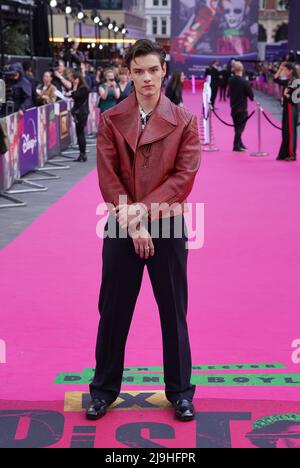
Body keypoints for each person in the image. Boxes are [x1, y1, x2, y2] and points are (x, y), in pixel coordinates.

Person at [87, 39, 201, 422]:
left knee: (173, 312)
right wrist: (133, 221)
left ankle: (181, 392)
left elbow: (182, 179)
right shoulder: (111, 119)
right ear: (129, 73)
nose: (147, 78)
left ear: (163, 70)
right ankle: (103, 390)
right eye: (139, 71)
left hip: (167, 225)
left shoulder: (184, 121)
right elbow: (109, 177)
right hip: (122, 225)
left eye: (153, 70)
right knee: (114, 311)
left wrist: (143, 213)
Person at [274, 62, 299, 161]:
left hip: (291, 108)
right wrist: (280, 68)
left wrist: (286, 95)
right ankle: (284, 153)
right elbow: (275, 79)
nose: (283, 72)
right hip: (286, 108)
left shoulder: (296, 82)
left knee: (291, 132)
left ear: (290, 71)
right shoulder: (288, 81)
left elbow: (296, 99)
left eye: (285, 70)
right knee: (285, 132)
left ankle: (292, 154)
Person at [228, 61, 254, 152]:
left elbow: (229, 94)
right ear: (242, 69)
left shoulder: (230, 80)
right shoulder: (244, 82)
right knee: (240, 128)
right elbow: (251, 97)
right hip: (242, 108)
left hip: (233, 107)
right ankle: (236, 145)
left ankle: (240, 143)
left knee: (237, 127)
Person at [71, 72, 90, 162]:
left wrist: (74, 86)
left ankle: (83, 154)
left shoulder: (83, 88)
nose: (72, 81)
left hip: (81, 113)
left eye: (74, 79)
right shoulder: (83, 88)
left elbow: (75, 95)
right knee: (79, 134)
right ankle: (82, 154)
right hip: (81, 113)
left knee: (80, 134)